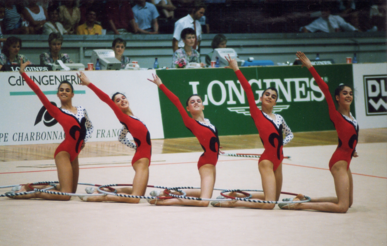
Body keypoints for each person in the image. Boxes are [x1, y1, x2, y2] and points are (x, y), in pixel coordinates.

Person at [278, 52, 358, 213]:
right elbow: (325, 88)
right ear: (337, 98)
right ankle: (300, 206)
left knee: (348, 202)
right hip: (339, 163)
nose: (348, 95)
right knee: (342, 208)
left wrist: (354, 149)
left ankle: (304, 199)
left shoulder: (351, 117)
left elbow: (350, 135)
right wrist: (310, 66)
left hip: (346, 161)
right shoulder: (336, 115)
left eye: (350, 93)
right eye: (344, 93)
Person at [212, 56, 295, 209]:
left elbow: (290, 133)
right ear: (261, 98)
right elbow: (247, 88)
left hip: (279, 160)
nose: (270, 97)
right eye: (267, 94)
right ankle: (232, 202)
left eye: (273, 96)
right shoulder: (257, 114)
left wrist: (282, 143)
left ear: (276, 102)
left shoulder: (279, 117)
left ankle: (237, 195)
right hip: (267, 161)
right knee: (269, 205)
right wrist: (236, 69)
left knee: (274, 201)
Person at [8, 59, 93, 201]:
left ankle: (31, 186)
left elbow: (90, 126)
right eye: (61, 90)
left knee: (71, 191)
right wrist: (23, 74)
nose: (64, 92)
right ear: (58, 95)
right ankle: (32, 193)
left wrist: (84, 140)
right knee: (66, 196)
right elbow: (38, 91)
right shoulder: (56, 111)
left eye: (67, 90)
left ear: (73, 94)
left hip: (75, 154)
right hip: (64, 153)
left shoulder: (82, 109)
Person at [77, 72, 151, 203]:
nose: (122, 100)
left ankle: (105, 191)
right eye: (118, 100)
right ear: (115, 106)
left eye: (123, 97)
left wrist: (135, 147)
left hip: (142, 158)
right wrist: (89, 84)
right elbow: (105, 98)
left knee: (138, 192)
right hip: (141, 161)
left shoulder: (132, 120)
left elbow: (121, 138)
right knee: (135, 199)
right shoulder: (124, 118)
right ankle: (100, 196)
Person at [147, 74, 220, 207]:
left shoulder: (209, 123)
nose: (196, 102)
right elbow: (175, 100)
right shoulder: (190, 122)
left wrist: (217, 148)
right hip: (206, 164)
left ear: (203, 106)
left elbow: (212, 140)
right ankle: (169, 200)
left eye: (198, 101)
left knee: (206, 194)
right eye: (192, 102)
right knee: (204, 202)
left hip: (212, 163)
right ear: (188, 109)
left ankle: (169, 192)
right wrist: (160, 85)